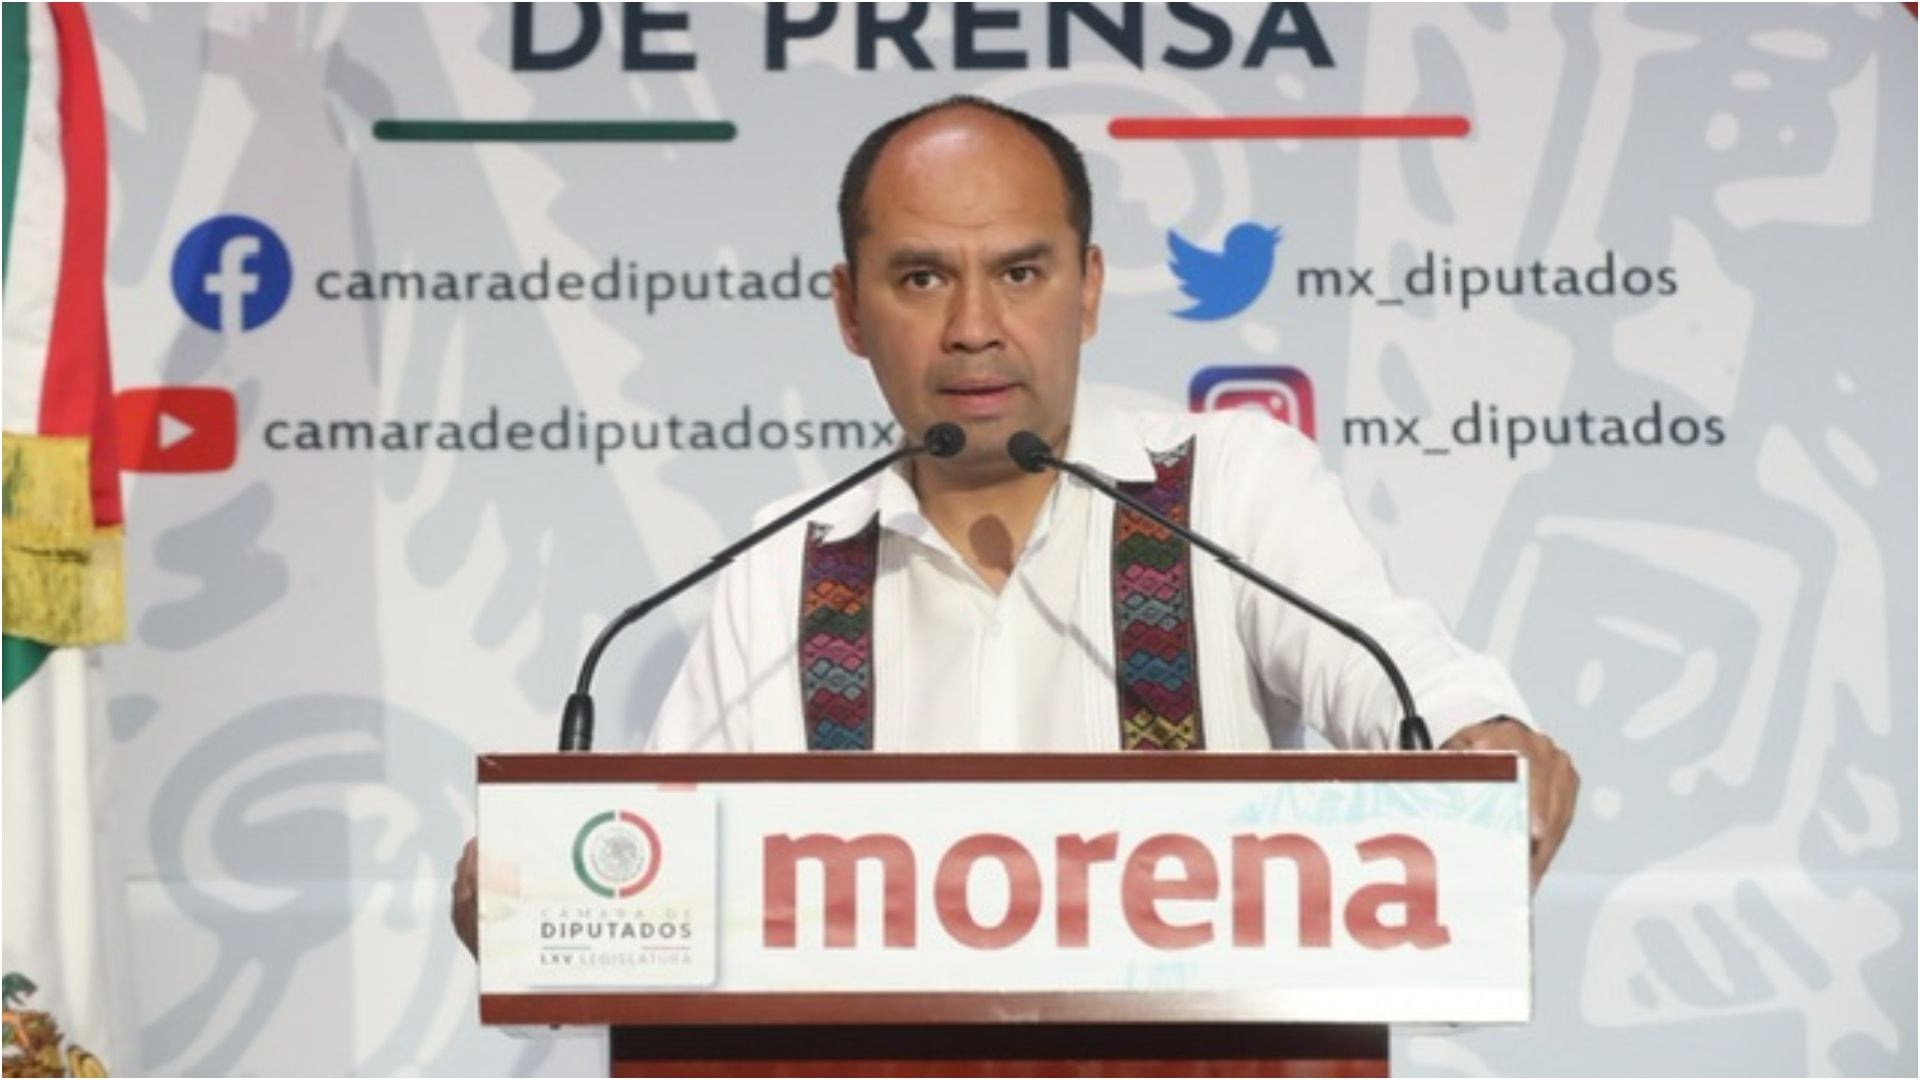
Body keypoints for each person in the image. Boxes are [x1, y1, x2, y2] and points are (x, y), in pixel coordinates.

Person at [452, 95, 1577, 957]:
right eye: (921, 278)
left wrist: (1479, 736)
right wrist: (537, 890)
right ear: (849, 310)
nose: (975, 327)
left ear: (1086, 289)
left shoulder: (1227, 486)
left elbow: (1397, 671)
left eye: (1021, 272)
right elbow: (657, 872)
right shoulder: (788, 560)